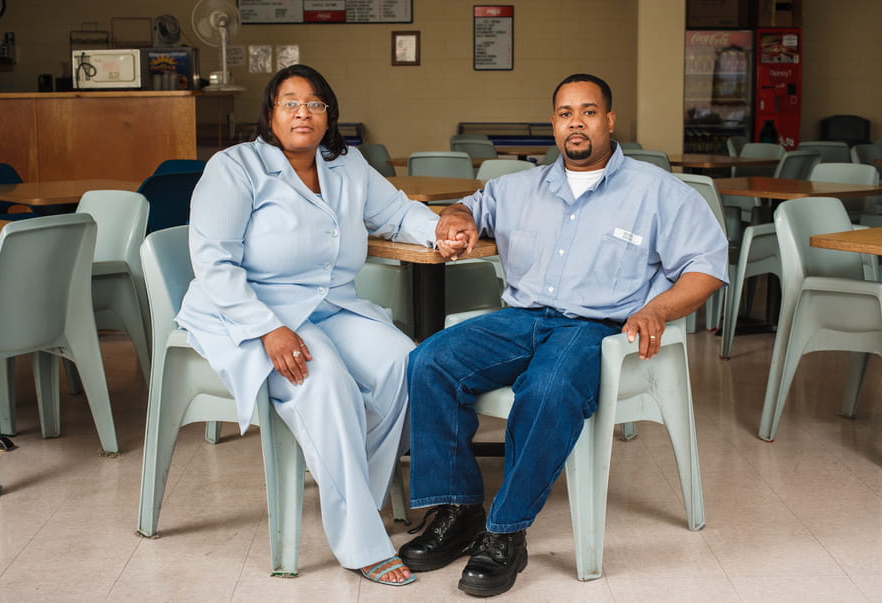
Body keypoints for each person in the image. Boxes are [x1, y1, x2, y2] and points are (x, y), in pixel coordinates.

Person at [398, 73, 728, 597]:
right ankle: (459, 510)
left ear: (610, 120)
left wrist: (657, 309)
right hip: (521, 319)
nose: (576, 123)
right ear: (554, 123)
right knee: (428, 362)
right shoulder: (517, 187)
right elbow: (470, 208)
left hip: (593, 327)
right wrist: (457, 218)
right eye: (565, 113)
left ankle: (506, 533)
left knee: (548, 391)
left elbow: (707, 267)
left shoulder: (659, 191)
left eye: (589, 112)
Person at [176, 64, 443, 586]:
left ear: (329, 116)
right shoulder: (235, 168)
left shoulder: (348, 166)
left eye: (315, 103)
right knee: (324, 381)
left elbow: (398, 213)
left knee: (405, 362)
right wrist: (266, 328)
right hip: (251, 309)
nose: (303, 112)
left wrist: (441, 231)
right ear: (270, 115)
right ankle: (363, 543)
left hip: (326, 303)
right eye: (290, 102)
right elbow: (213, 263)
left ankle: (354, 496)